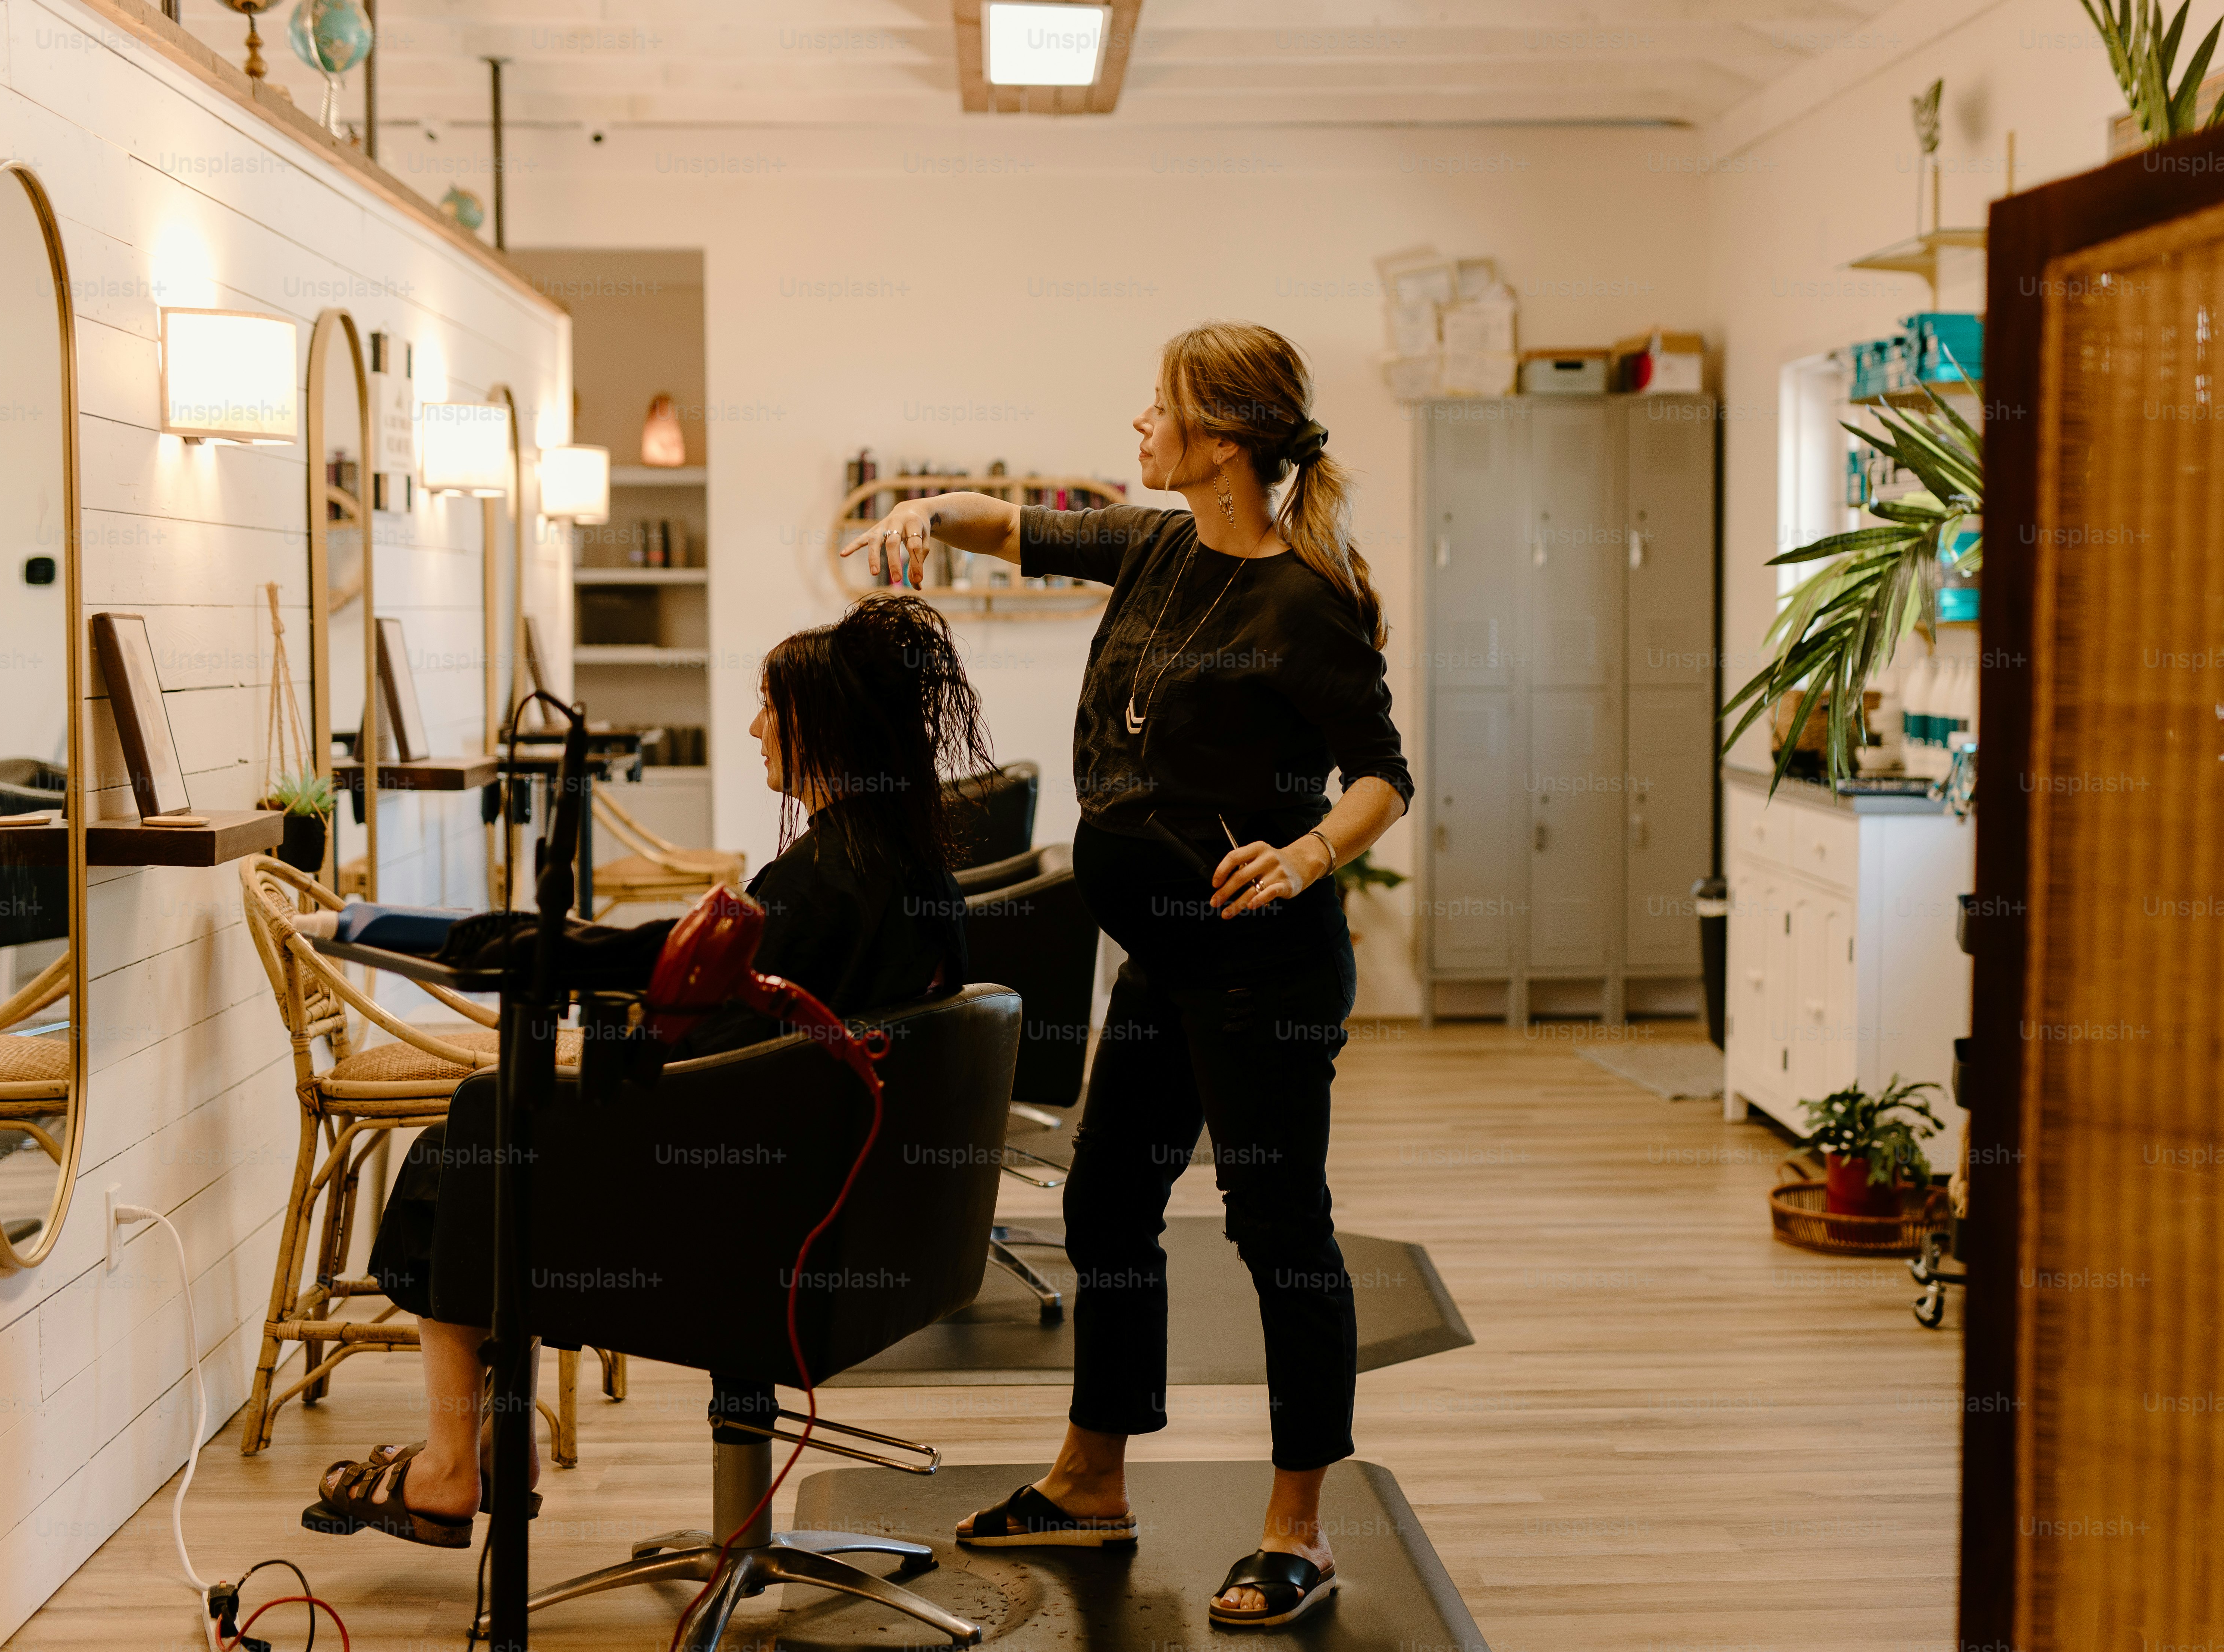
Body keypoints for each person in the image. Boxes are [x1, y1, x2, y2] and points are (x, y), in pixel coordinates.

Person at [841, 320, 1411, 1629]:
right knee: (1106, 1216)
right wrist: (929, 510)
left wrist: (1312, 852)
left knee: (1283, 1242)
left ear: (1219, 442)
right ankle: (1091, 1480)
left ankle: (1296, 1530)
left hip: (1263, 977)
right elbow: (1016, 526)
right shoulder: (1155, 547)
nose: (1137, 429)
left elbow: (1383, 771)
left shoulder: (1305, 602)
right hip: (1162, 963)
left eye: (1156, 411)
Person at [305, 593, 990, 1547]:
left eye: (767, 706)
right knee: (497, 1145)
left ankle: (451, 1467)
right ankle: (504, 1454)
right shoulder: (911, 871)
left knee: (462, 1151)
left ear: (821, 726)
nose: (754, 727)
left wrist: (570, 1048)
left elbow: (680, 1023)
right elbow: (727, 1035)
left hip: (749, 1230)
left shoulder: (819, 884)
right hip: (861, 1220)